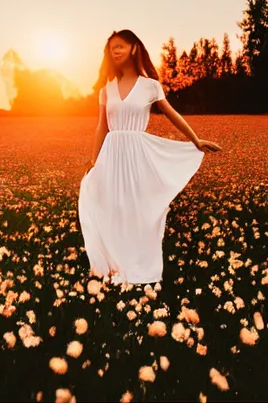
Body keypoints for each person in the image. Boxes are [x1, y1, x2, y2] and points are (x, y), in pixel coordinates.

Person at [79, 29, 222, 286]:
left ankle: (138, 268)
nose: (116, 51)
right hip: (111, 154)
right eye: (112, 48)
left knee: (138, 211)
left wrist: (195, 140)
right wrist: (94, 162)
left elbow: (171, 113)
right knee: (112, 209)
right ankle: (113, 266)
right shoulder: (106, 90)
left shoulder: (150, 86)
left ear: (134, 48)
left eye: (120, 46)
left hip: (137, 155)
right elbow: (102, 126)